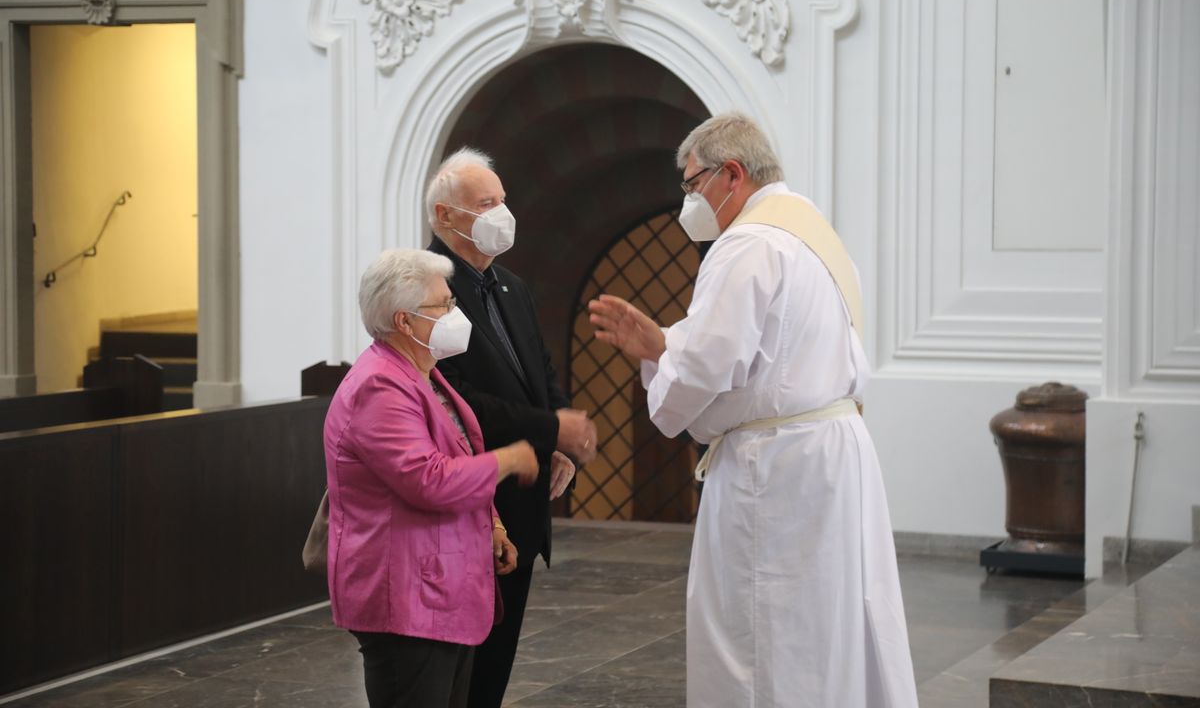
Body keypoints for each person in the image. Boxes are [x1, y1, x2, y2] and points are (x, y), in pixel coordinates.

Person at [588, 113, 919, 707]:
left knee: (764, 633)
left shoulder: (747, 243)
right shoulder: (813, 234)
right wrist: (662, 344)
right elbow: (766, 354)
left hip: (776, 472)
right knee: (830, 624)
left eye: (692, 184)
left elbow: (709, 367)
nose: (687, 200)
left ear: (731, 174)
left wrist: (665, 370)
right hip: (830, 454)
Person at [324, 248, 540, 708]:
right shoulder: (379, 385)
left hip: (442, 585)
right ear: (404, 321)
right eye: (444, 305)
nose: (455, 314)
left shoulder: (424, 373)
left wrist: (494, 525)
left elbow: (458, 453)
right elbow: (428, 479)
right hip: (404, 594)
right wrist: (509, 460)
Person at [425, 147, 598, 708]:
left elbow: (539, 371)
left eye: (502, 200)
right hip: (471, 502)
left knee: (495, 667)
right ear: (446, 217)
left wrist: (560, 443)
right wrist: (551, 428)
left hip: (521, 507)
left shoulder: (510, 286)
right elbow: (456, 396)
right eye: (485, 204)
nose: (502, 213)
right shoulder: (425, 290)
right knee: (460, 672)